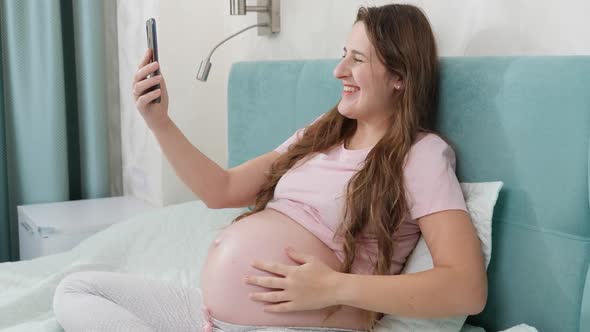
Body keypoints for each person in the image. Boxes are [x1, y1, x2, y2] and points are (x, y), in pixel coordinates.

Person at [52, 4, 487, 332]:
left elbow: (466, 286)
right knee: (77, 290)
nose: (339, 70)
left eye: (358, 59)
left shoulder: (422, 155)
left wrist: (334, 287)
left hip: (297, 324)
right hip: (213, 317)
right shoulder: (324, 132)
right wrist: (159, 121)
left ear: (400, 76)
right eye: (343, 55)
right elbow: (221, 189)